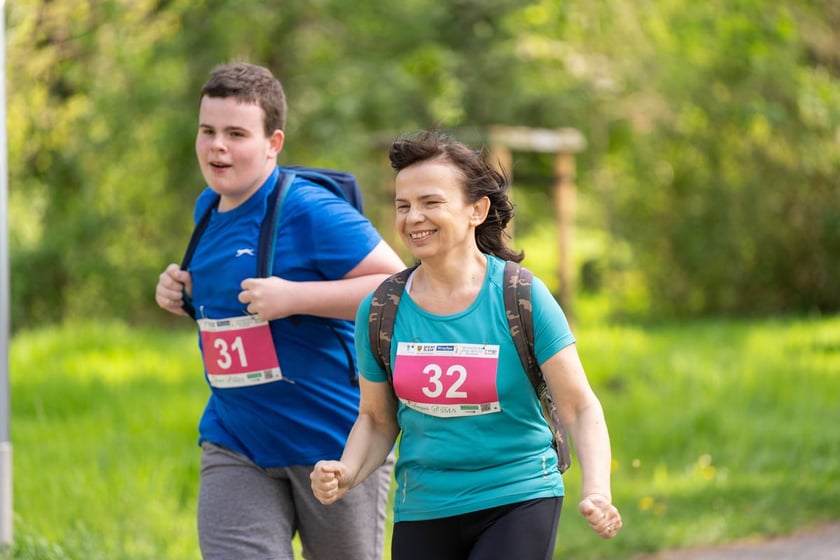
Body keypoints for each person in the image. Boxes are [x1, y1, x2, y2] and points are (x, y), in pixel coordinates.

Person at [310, 130, 622, 560]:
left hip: (517, 492)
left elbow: (580, 408)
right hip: (423, 504)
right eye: (404, 206)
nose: (413, 217)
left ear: (477, 210)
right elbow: (377, 420)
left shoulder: (521, 297)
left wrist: (597, 490)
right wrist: (346, 470)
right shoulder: (381, 309)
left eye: (431, 202)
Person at [154, 61, 406, 560]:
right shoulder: (207, 207)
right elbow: (232, 308)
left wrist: (296, 297)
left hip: (334, 444)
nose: (216, 146)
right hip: (235, 440)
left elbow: (398, 288)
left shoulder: (310, 209)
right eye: (207, 131)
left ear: (274, 143)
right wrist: (180, 292)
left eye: (235, 133)